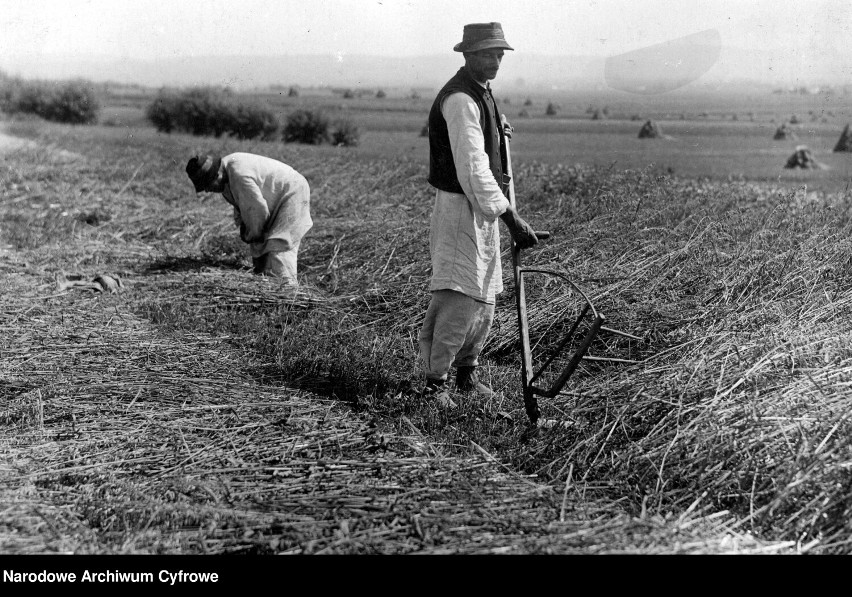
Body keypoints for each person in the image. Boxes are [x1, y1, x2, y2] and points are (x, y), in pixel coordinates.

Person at [419, 22, 541, 408]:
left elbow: (483, 145)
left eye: (500, 54)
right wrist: (512, 219)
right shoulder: (460, 100)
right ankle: (434, 382)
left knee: (484, 296)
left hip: (483, 206)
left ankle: (466, 375)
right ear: (468, 55)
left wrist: (499, 129)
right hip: (460, 208)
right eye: (488, 53)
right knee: (460, 294)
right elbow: (472, 168)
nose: (496, 61)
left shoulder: (483, 94)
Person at [185, 152, 312, 284]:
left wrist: (252, 235)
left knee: (278, 245)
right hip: (278, 196)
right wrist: (246, 227)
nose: (207, 191)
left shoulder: (239, 174)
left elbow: (256, 210)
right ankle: (265, 281)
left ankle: (287, 292)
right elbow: (242, 203)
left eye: (208, 186)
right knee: (261, 242)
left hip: (293, 192)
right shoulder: (227, 169)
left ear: (217, 175)